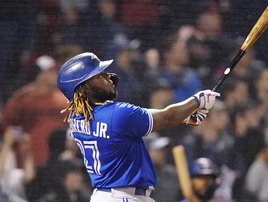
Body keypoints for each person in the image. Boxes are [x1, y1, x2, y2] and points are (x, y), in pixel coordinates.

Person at [56, 52, 220, 202]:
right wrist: (198, 100)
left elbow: (140, 119)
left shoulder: (76, 117)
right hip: (125, 197)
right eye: (99, 75)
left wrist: (184, 117)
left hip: (105, 195)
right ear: (84, 88)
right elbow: (167, 116)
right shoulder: (117, 114)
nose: (108, 76)